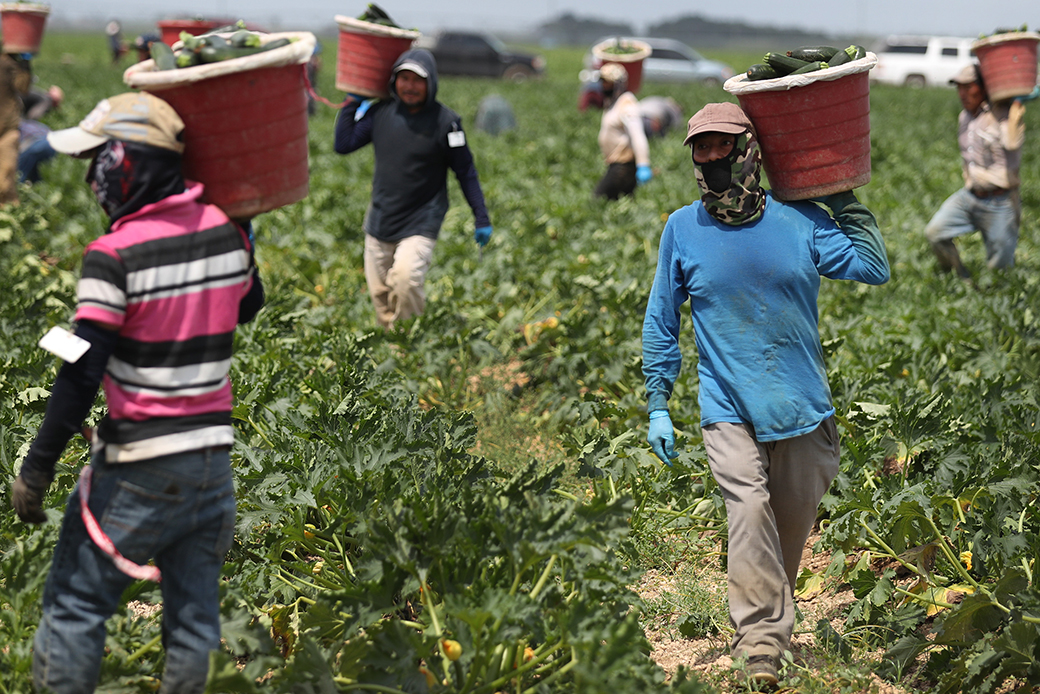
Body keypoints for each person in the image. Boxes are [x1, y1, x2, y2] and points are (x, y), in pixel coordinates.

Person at [11, 91, 264, 693]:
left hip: (139, 466)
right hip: (212, 465)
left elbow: (81, 371)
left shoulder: (113, 254)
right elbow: (249, 303)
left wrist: (37, 467)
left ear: (129, 162)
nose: (93, 177)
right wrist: (243, 225)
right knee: (195, 617)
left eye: (100, 159)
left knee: (75, 604)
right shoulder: (225, 232)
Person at [641, 102, 889, 687]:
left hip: (802, 407)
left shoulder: (799, 220)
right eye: (700, 149)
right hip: (727, 409)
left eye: (720, 146)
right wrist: (657, 401)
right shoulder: (681, 228)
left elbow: (871, 267)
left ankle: (770, 611)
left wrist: (843, 198)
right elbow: (661, 318)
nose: (709, 159)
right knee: (749, 511)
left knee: (789, 525)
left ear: (749, 150)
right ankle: (761, 647)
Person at [334, 48, 492, 329]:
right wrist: (351, 103)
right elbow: (344, 144)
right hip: (380, 217)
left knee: (406, 280)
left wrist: (481, 216)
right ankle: (392, 341)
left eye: (417, 80)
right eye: (403, 79)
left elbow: (465, 172)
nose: (410, 86)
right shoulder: (380, 113)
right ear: (394, 81)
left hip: (422, 219)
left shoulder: (447, 123)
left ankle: (409, 339)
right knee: (381, 293)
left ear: (431, 83)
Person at [924, 63, 1029, 280]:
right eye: (959, 88)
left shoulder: (1003, 114)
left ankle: (993, 298)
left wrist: (1015, 105)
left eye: (968, 87)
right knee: (935, 233)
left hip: (1000, 202)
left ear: (983, 87)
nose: (962, 93)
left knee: (1001, 268)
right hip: (970, 197)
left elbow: (1012, 143)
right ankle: (960, 278)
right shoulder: (965, 117)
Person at [594, 62, 652, 199]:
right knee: (622, 201)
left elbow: (638, 136)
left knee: (599, 198)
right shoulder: (612, 102)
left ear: (618, 84)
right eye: (602, 82)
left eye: (607, 82)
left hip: (623, 165)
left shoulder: (627, 104)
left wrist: (643, 164)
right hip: (614, 163)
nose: (603, 86)